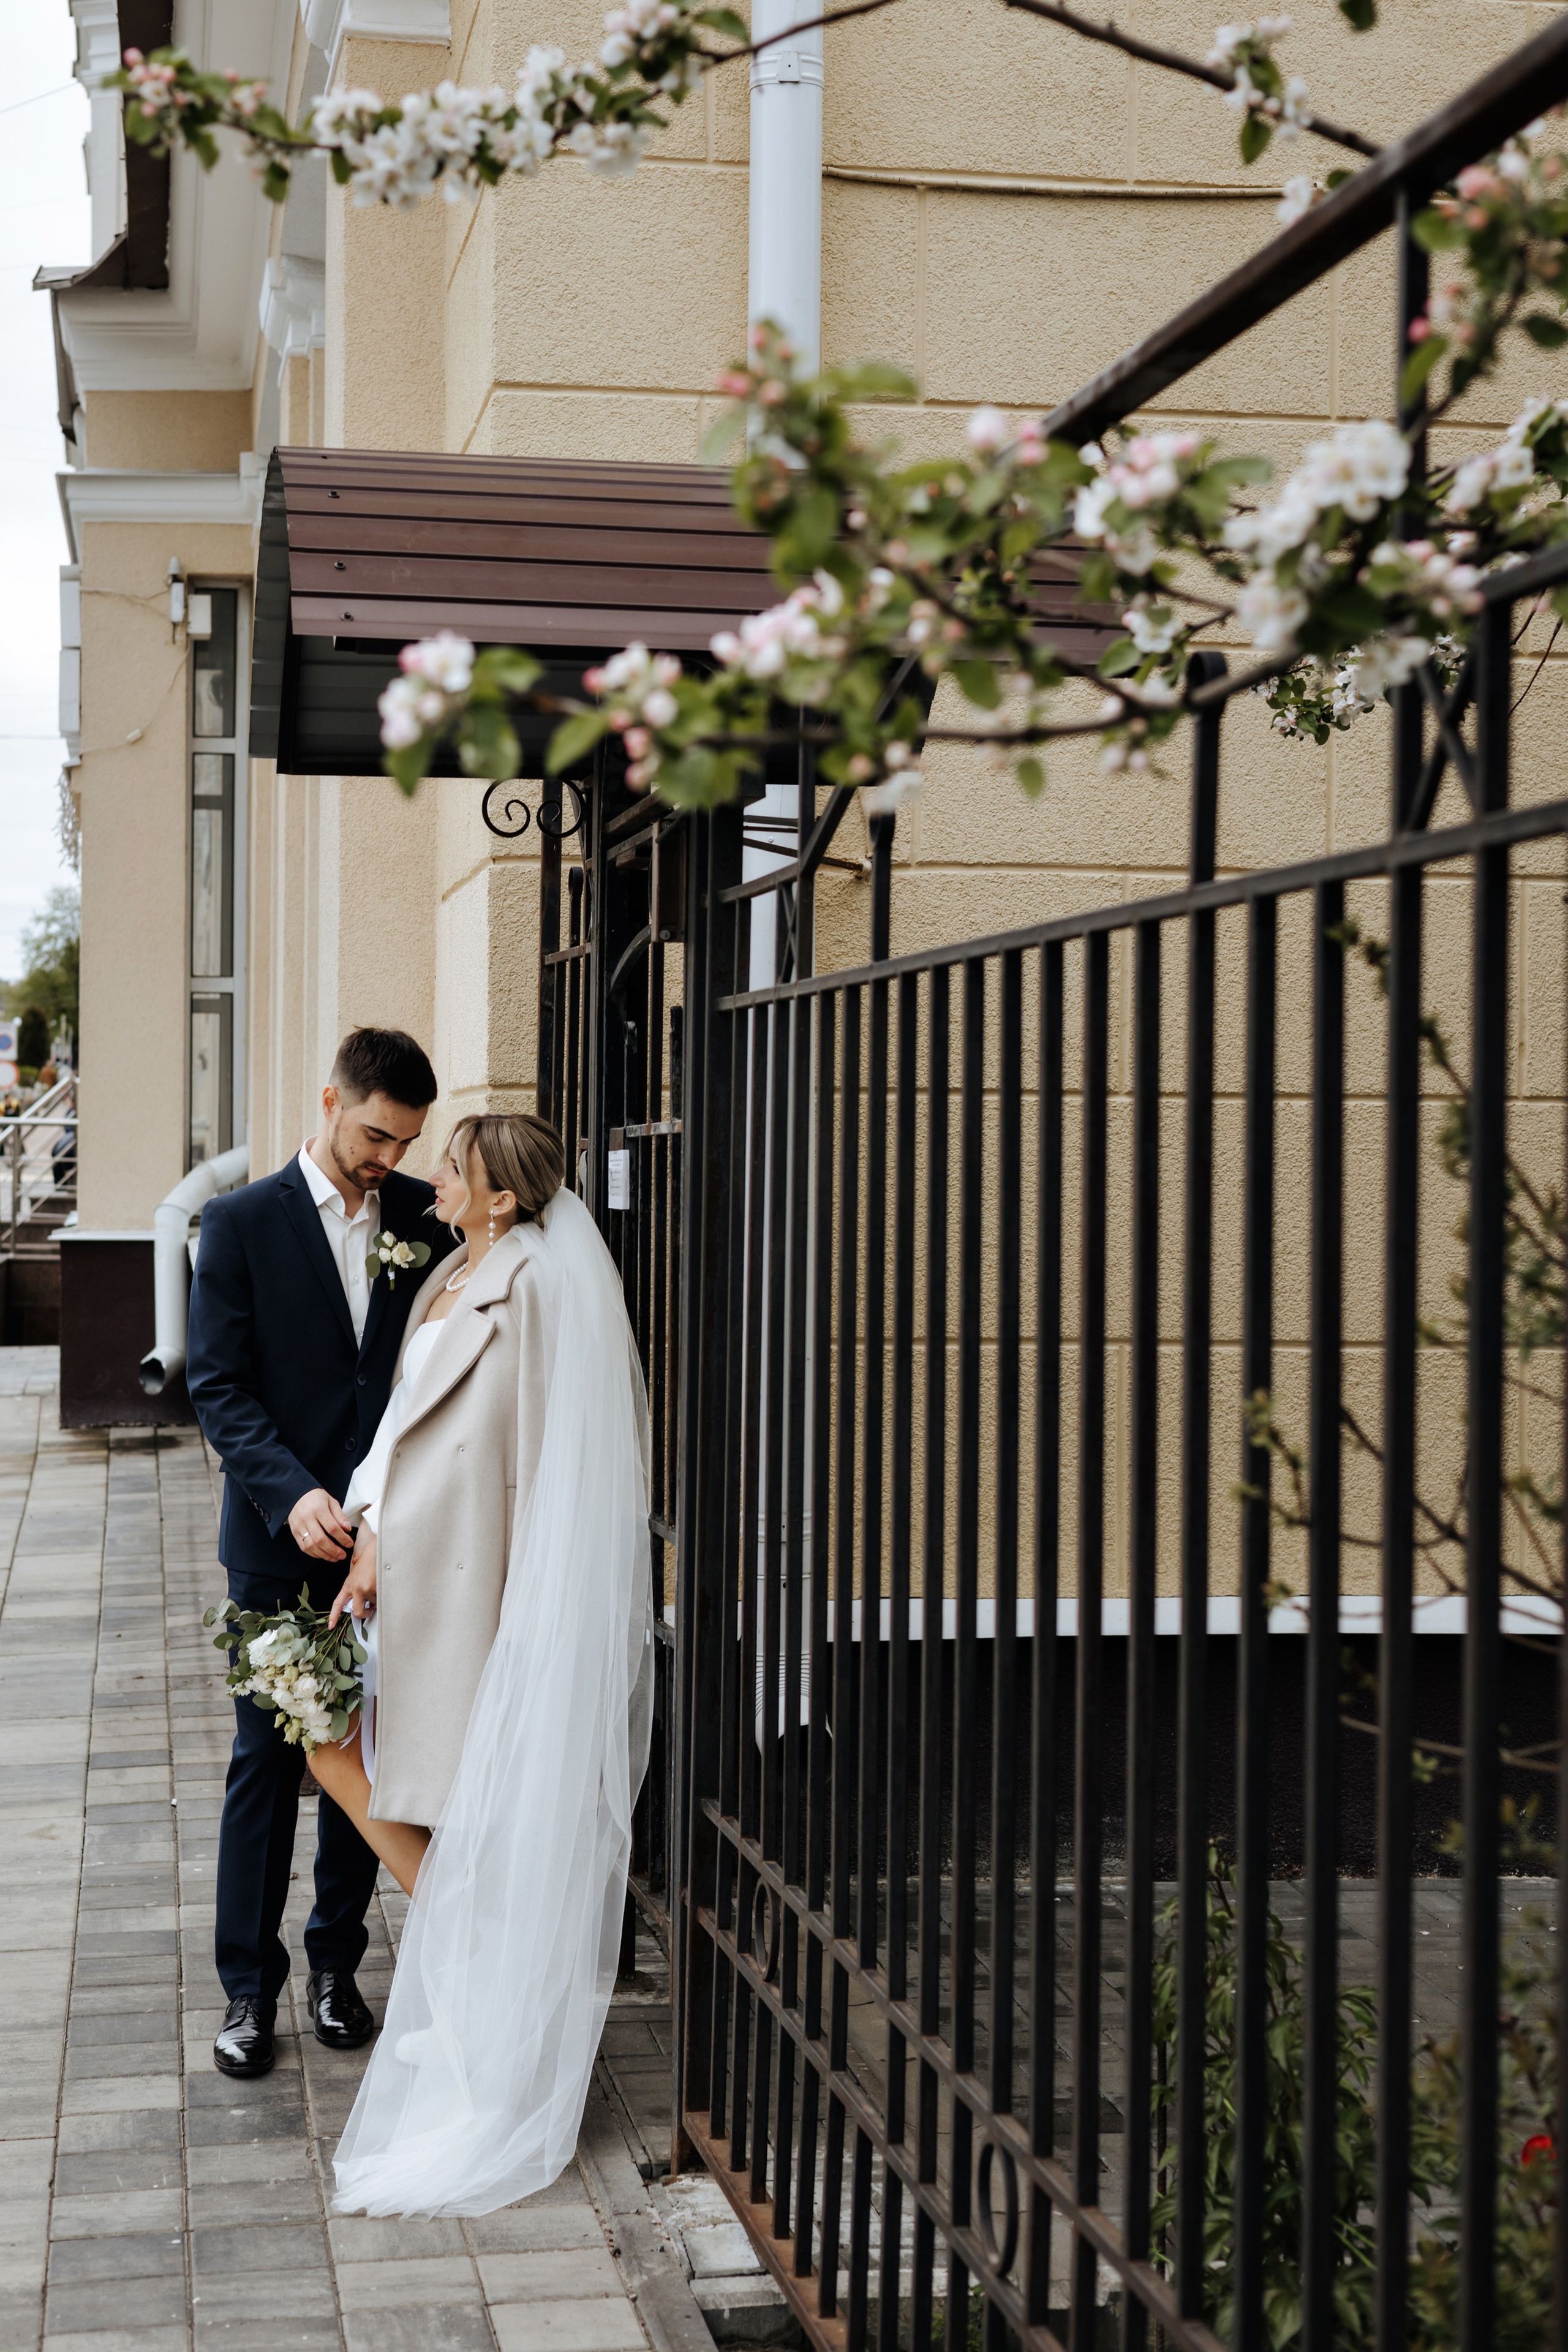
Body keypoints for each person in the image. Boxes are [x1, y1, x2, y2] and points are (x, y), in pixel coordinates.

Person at [302, 1112, 654, 2217]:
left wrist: (533, 1619)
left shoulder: (539, 1296)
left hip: (479, 1596)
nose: (434, 1178)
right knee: (341, 1756)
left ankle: (489, 2022)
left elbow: (560, 1465)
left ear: (501, 1196)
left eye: (453, 1168)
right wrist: (366, 1540)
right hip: (405, 1577)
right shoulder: (452, 1271)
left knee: (464, 1810)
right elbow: (404, 1428)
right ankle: (477, 1989)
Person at [186, 1027, 459, 2081]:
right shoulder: (242, 1223)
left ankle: (337, 1970)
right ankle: (248, 1993)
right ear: (333, 1098)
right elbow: (217, 1384)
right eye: (377, 1135)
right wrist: (290, 1492)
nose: (389, 1160)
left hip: (383, 1550)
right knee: (268, 1762)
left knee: (365, 1763)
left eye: (406, 1143)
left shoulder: (425, 1221)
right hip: (273, 1542)